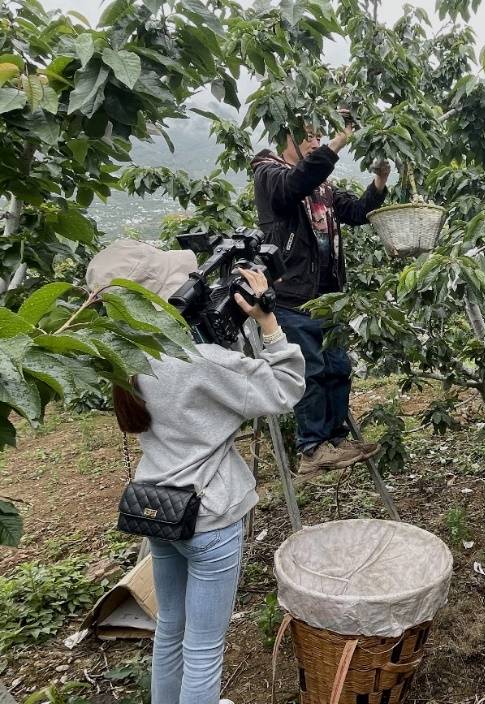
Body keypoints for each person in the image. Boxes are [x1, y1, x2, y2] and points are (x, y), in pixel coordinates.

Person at [86, 240, 306, 704]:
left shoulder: (124, 358)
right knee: (205, 650)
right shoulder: (201, 363)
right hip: (209, 519)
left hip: (158, 512)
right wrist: (268, 321)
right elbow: (284, 389)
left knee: (170, 630)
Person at [251, 116, 391, 473]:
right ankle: (312, 448)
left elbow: (358, 212)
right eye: (307, 138)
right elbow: (296, 183)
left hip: (328, 295)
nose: (315, 143)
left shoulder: (323, 188)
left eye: (318, 137)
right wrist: (342, 139)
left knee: (337, 366)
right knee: (309, 369)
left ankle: (336, 438)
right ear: (286, 140)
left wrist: (380, 180)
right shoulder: (269, 173)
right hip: (293, 295)